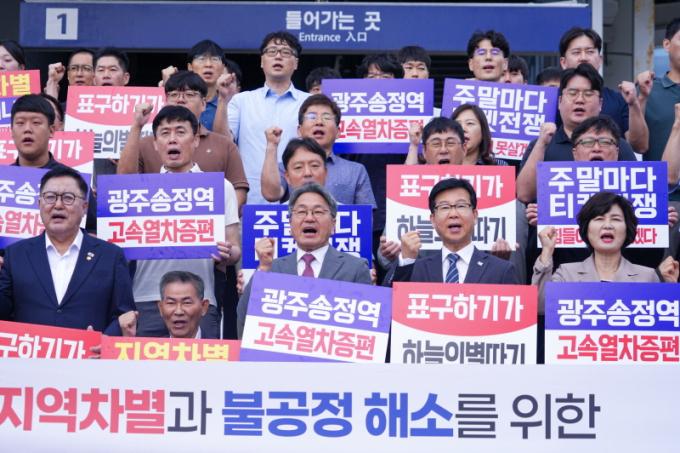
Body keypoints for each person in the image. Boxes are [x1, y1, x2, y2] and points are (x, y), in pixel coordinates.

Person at [129, 105, 241, 339]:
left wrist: (227, 252)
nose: (173, 139)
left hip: (199, 301)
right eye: (165, 133)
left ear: (196, 139)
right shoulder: (139, 190)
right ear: (155, 143)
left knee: (201, 364)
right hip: (145, 299)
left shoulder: (220, 188)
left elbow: (235, 250)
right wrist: (136, 127)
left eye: (180, 132)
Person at [0, 167, 136, 334]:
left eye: (68, 198)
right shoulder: (15, 255)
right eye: (50, 197)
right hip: (29, 349)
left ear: (84, 207)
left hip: (91, 351)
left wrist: (104, 339)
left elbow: (125, 315)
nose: (58, 205)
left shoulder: (111, 256)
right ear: (39, 204)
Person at [237, 182, 371, 337]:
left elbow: (367, 330)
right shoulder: (271, 269)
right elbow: (245, 319)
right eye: (301, 212)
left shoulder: (355, 268)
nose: (309, 218)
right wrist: (263, 269)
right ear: (290, 224)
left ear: (333, 224)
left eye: (318, 212)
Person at [117, 71, 249, 209]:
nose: (180, 100)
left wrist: (216, 217)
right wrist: (136, 126)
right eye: (174, 94)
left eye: (189, 94)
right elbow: (123, 185)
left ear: (203, 103)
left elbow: (238, 191)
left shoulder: (224, 144)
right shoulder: (145, 144)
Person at [517, 63, 638, 204]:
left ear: (600, 103)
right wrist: (542, 144)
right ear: (560, 101)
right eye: (572, 93)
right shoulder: (541, 144)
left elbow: (636, 195)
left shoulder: (617, 144)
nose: (579, 100)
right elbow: (524, 195)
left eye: (588, 94)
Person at [533, 191, 679, 300]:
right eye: (599, 219)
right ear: (587, 229)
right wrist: (547, 251)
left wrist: (670, 290)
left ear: (627, 228)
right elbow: (540, 306)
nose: (607, 225)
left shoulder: (647, 276)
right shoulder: (566, 273)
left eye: (616, 219)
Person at [228, 31, 310, 204]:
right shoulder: (241, 101)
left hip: (298, 201)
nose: (278, 56)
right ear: (261, 61)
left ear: (296, 63)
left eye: (285, 52)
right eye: (272, 51)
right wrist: (222, 101)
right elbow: (224, 141)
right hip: (250, 200)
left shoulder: (310, 103)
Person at [391, 178, 519, 284]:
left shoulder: (501, 270)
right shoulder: (415, 268)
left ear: (475, 216)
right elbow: (392, 301)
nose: (453, 214)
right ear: (433, 220)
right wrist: (407, 260)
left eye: (461, 206)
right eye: (444, 207)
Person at [260, 94, 376, 206]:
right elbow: (271, 195)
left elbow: (365, 215)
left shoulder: (356, 171)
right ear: (299, 130)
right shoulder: (285, 167)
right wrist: (272, 145)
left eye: (327, 117)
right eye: (312, 117)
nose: (319, 122)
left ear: (338, 132)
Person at [7, 94, 96, 233]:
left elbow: (93, 231)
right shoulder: (3, 179)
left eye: (36, 123)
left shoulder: (74, 180)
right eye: (20, 123)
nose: (27, 129)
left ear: (52, 130)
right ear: (11, 131)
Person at [558, 27, 647, 152]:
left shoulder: (619, 100)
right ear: (563, 62)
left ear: (600, 60)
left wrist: (634, 103)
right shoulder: (550, 100)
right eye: (576, 52)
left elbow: (640, 147)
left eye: (590, 51)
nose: (583, 58)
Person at [157, 271, 209, 339]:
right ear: (161, 308)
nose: (179, 312)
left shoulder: (219, 345)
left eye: (187, 302)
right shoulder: (149, 345)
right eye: (171, 303)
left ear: (203, 307)